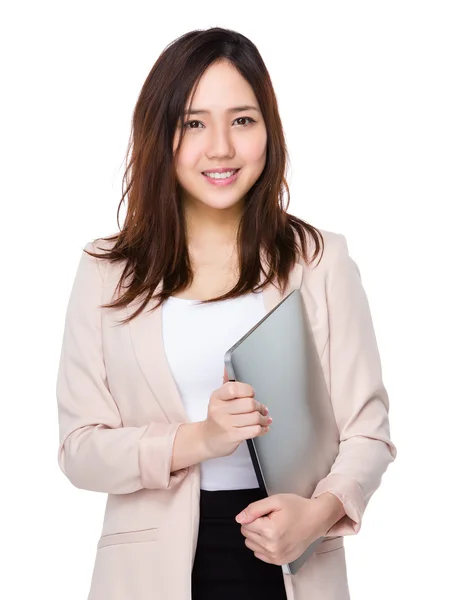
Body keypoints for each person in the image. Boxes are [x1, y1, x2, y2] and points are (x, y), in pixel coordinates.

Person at [56, 27, 397, 600]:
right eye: (194, 123)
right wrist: (203, 437)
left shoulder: (320, 259)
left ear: (269, 131)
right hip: (150, 573)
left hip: (290, 555)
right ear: (159, 135)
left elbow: (369, 432)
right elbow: (80, 450)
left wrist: (318, 515)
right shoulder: (106, 270)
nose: (220, 147)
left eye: (242, 120)